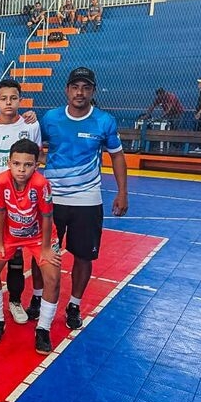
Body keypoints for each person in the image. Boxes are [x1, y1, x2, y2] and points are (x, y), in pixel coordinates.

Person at [30, 67, 128, 331]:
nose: (80, 92)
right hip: (51, 201)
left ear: (92, 91)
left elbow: (116, 155)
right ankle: (37, 298)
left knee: (84, 257)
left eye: (85, 88)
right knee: (42, 253)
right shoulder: (49, 119)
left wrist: (122, 192)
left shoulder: (104, 121)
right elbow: (32, 148)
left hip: (87, 201)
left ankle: (74, 304)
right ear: (67, 90)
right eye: (75, 87)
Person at [0, 139, 62, 347]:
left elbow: (47, 216)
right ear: (9, 163)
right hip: (9, 235)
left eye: (27, 164)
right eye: (16, 164)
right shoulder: (0, 181)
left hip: (39, 236)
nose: (21, 169)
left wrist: (45, 248)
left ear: (36, 165)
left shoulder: (42, 184)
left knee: (52, 277)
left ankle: (43, 328)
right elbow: (0, 211)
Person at [0, 79, 41, 325]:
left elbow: (36, 160)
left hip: (19, 205)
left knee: (15, 256)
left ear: (20, 100)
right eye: (3, 98)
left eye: (13, 98)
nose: (8, 103)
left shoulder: (30, 126)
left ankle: (14, 301)